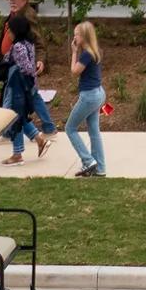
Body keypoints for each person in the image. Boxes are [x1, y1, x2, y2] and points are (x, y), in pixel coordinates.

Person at [0, 0, 52, 165]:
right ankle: (39, 139)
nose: (12, 1)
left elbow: (37, 45)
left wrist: (36, 62)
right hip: (18, 80)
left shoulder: (26, 19)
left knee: (14, 115)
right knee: (17, 114)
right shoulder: (15, 15)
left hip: (18, 81)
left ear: (25, 0)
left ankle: (18, 153)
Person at [63, 19, 107, 178]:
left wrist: (74, 52)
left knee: (70, 128)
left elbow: (74, 72)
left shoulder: (86, 54)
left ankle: (88, 161)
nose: (74, 37)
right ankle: (100, 168)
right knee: (94, 130)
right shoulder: (96, 51)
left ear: (85, 36)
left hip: (89, 96)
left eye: (76, 35)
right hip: (99, 93)